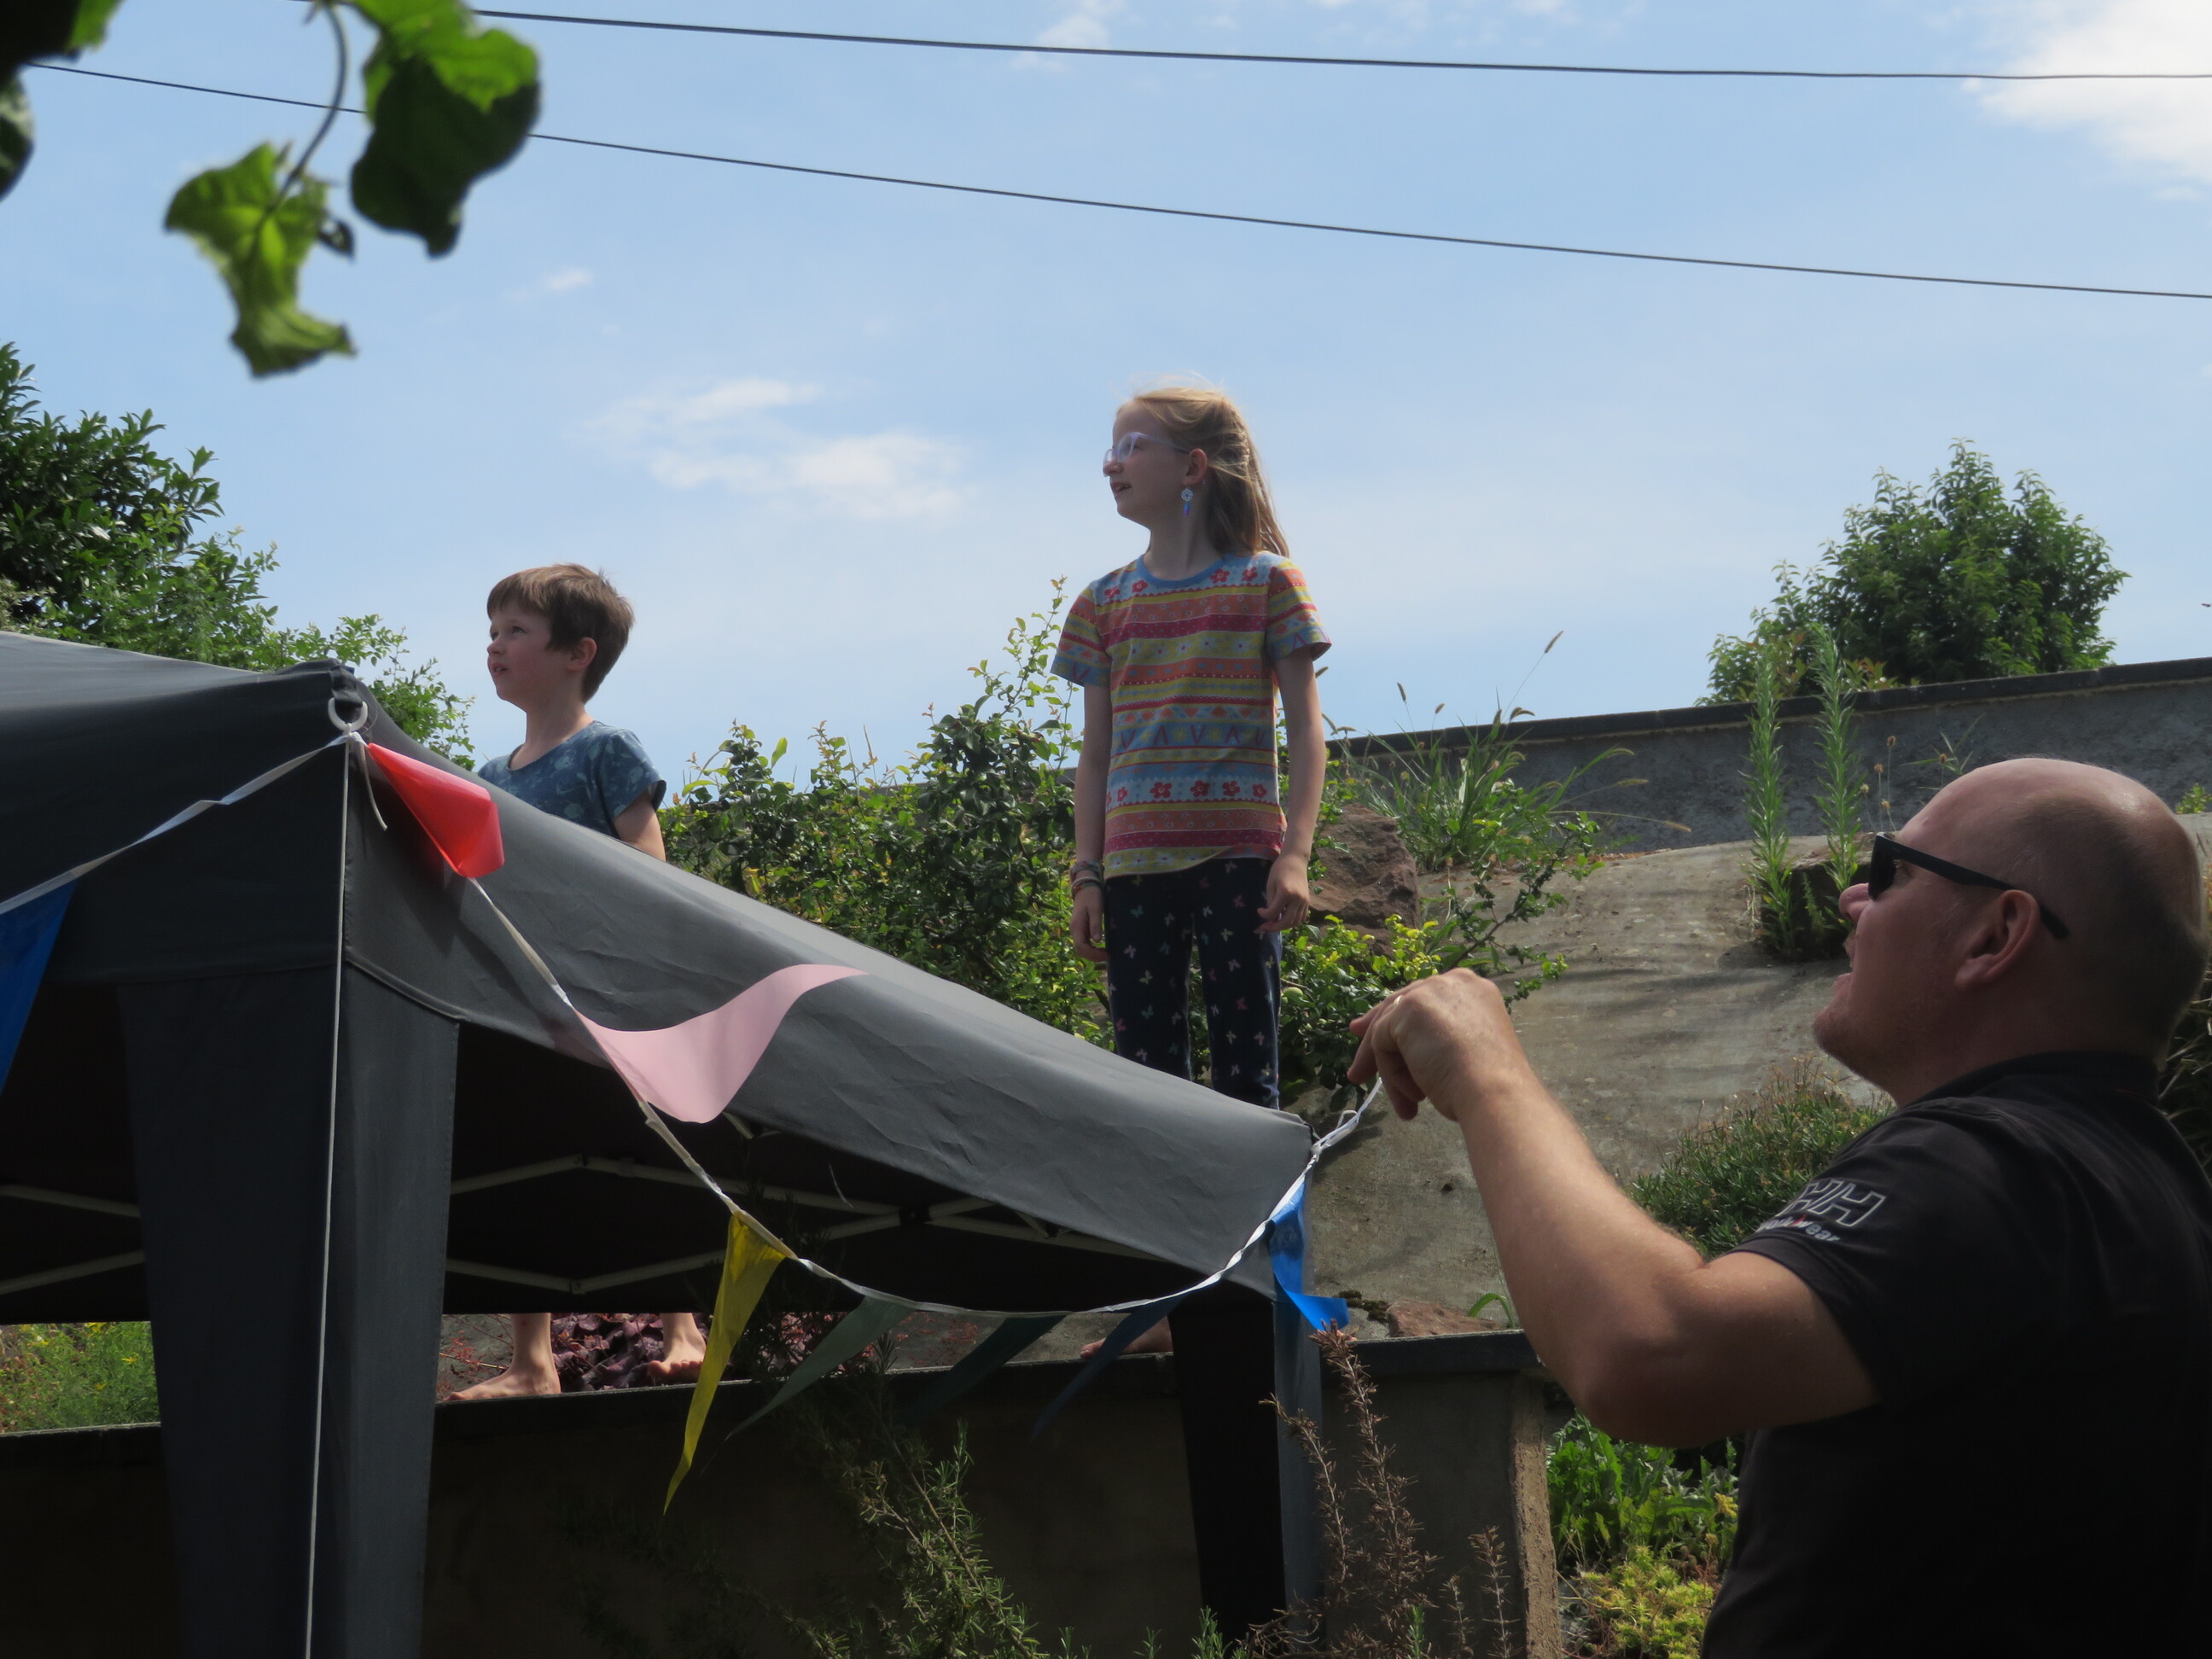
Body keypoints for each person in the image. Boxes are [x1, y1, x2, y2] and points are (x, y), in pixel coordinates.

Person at [1349, 757, 2212, 1656]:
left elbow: (1653, 1352)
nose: (1851, 897)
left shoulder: (1994, 1162)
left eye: (1892, 872)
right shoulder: (2150, 1189)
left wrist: (1486, 1073)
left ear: (1994, 936)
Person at [1052, 382, 1330, 1354]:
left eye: (1133, 445)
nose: (1111, 462)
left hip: (1239, 862)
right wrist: (1087, 874)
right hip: (1134, 871)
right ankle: (1163, 1304)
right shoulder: (1103, 604)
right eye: (1112, 446)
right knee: (1148, 1087)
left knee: (1250, 1083)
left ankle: (1269, 1293)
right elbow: (1094, 755)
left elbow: (1308, 737)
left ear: (1192, 468)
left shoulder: (1267, 583)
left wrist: (1295, 856)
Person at [453, 563, 709, 1399]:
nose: (495, 646)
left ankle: (682, 1327)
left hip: (605, 995)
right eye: (493, 631)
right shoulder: (491, 778)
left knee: (639, 1147)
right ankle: (532, 1363)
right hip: (521, 999)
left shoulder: (607, 750)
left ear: (577, 653)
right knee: (521, 1159)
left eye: (515, 631)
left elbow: (649, 865)